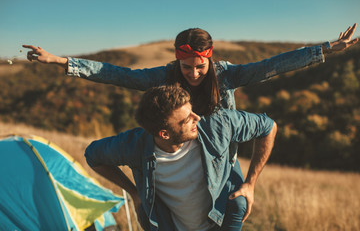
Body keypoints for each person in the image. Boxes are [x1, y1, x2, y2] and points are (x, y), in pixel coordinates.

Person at [23, 24, 358, 116]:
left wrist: (325, 48)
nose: (194, 74)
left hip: (221, 157)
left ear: (210, 59)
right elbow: (116, 73)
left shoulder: (227, 75)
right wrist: (60, 61)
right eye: (187, 67)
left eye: (200, 67)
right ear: (176, 61)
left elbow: (274, 66)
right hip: (178, 153)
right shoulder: (162, 76)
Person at [85, 85, 277, 231]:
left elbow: (268, 127)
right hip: (168, 225)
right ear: (164, 134)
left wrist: (250, 183)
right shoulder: (134, 145)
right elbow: (93, 155)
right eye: (187, 119)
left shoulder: (217, 124)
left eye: (192, 110)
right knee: (145, 212)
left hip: (221, 219)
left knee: (238, 202)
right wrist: (134, 193)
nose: (198, 118)